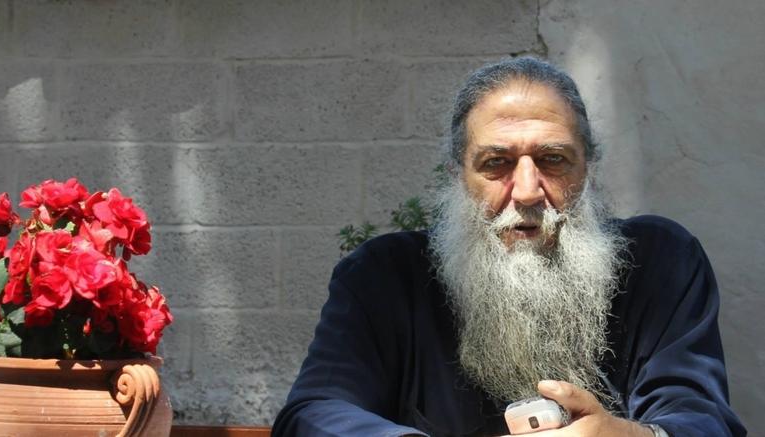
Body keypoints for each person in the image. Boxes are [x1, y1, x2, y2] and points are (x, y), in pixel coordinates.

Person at [271, 57, 746, 437]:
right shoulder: (383, 275)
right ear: (459, 175)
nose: (527, 191)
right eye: (496, 163)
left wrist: (632, 436)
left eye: (553, 159)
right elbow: (313, 414)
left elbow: (703, 418)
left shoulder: (662, 261)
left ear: (587, 169)